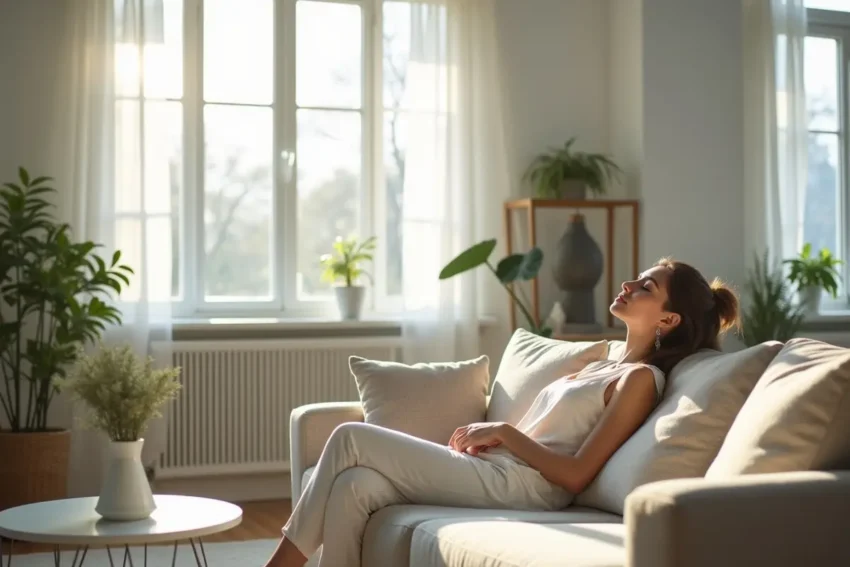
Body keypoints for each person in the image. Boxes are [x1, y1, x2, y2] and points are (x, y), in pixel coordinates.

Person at [263, 258, 740, 567]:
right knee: (355, 486)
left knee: (352, 437)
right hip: (496, 469)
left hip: (529, 488)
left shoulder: (639, 380)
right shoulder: (607, 361)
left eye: (646, 286)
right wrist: (500, 441)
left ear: (668, 319)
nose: (628, 283)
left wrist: (507, 433)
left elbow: (575, 476)